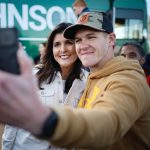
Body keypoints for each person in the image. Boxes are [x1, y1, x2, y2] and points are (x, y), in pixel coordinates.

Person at [0, 11, 150, 150]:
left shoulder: (127, 79)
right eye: (78, 40)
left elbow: (108, 123)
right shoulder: (94, 76)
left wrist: (42, 119)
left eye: (91, 37)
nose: (83, 46)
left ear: (111, 39)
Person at [2, 22, 88, 150]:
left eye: (69, 42)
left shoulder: (87, 81)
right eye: (57, 44)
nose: (63, 49)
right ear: (51, 49)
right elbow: (14, 123)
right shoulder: (33, 74)